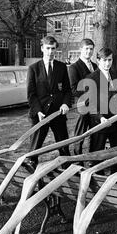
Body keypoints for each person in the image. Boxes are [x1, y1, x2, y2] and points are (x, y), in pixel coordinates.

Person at [27, 36, 72, 166]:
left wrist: (65, 103)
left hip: (58, 112)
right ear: (42, 48)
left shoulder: (61, 67)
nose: (50, 52)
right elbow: (31, 94)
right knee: (35, 146)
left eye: (53, 49)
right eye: (48, 48)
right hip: (40, 113)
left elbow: (67, 90)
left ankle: (67, 166)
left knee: (63, 144)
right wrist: (38, 111)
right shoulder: (33, 68)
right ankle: (31, 166)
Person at [86, 47, 117, 154]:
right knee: (97, 153)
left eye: (109, 60)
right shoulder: (91, 78)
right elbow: (89, 104)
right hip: (100, 123)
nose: (107, 63)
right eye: (104, 60)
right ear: (98, 60)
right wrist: (100, 118)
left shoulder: (115, 75)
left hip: (115, 120)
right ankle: (97, 171)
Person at [68, 38, 98, 155]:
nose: (89, 52)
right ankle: (77, 160)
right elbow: (74, 89)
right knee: (79, 135)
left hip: (95, 106)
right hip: (82, 106)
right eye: (86, 49)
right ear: (81, 49)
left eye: (91, 49)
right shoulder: (74, 67)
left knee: (95, 133)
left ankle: (92, 159)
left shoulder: (95, 66)